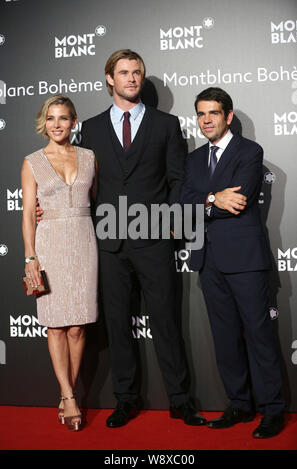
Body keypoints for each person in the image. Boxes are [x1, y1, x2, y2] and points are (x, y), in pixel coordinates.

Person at [75, 49, 205, 427]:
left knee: (166, 322)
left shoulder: (166, 125)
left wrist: (174, 220)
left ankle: (181, 400)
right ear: (109, 79)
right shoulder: (92, 128)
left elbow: (179, 179)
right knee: (117, 324)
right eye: (124, 72)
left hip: (154, 239)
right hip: (110, 242)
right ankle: (126, 399)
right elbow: (84, 183)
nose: (131, 78)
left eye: (137, 72)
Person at [180, 87, 285, 438]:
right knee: (224, 339)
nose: (206, 120)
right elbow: (183, 204)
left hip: (244, 260)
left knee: (259, 336)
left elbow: (237, 201)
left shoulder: (249, 151)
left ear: (228, 116)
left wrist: (204, 202)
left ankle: (272, 409)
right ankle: (239, 403)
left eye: (213, 113)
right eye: (200, 114)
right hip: (207, 260)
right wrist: (212, 197)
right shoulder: (193, 160)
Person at [22, 95, 98, 431]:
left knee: (79, 326)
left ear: (73, 121)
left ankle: (68, 390)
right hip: (49, 243)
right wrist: (30, 256)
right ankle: (68, 396)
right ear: (44, 122)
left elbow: (95, 200)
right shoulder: (32, 161)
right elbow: (28, 213)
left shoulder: (89, 157)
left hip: (83, 241)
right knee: (55, 325)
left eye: (63, 118)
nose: (57, 124)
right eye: (51, 118)